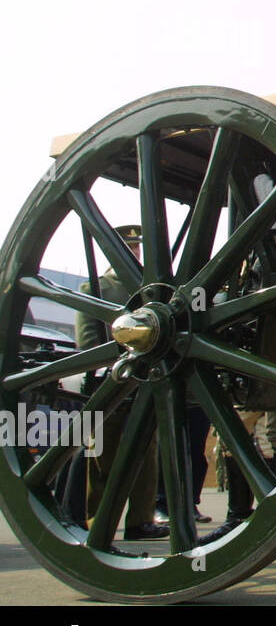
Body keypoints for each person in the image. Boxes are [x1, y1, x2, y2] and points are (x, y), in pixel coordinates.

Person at [75, 225, 169, 541]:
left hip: (142, 379)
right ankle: (97, 519)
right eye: (130, 247)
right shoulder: (95, 287)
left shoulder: (148, 290)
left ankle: (140, 520)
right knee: (102, 456)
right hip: (110, 379)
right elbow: (88, 339)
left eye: (137, 247)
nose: (135, 252)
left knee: (146, 454)